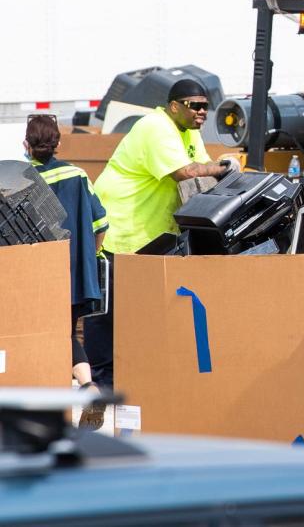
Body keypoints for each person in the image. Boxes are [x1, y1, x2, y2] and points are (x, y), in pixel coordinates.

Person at [89, 80, 234, 389]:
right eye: (195, 106)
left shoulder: (188, 131)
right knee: (111, 309)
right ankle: (102, 383)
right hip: (123, 225)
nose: (202, 112)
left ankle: (137, 374)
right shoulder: (155, 127)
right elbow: (186, 172)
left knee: (143, 306)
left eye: (205, 107)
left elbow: (202, 170)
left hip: (152, 231)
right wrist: (222, 167)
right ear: (174, 106)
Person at [25, 114, 109, 427]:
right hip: (74, 273)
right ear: (59, 143)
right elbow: (101, 223)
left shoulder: (19, 178)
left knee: (45, 337)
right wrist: (92, 254)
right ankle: (87, 388)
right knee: (64, 333)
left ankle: (59, 404)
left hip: (33, 277)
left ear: (26, 144)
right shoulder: (78, 175)